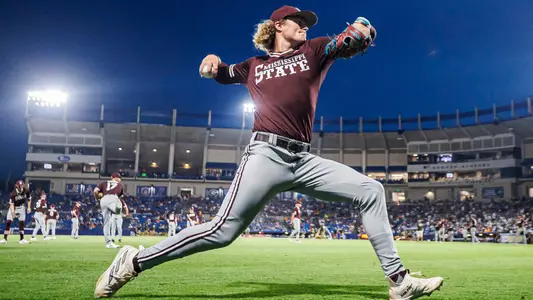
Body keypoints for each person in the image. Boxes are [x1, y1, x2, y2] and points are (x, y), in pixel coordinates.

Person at [94, 5, 443, 299]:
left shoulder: (314, 50)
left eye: (307, 23)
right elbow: (222, 73)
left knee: (371, 191)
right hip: (265, 155)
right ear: (278, 25)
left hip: (303, 160)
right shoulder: (254, 66)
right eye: (299, 21)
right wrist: (213, 62)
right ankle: (132, 262)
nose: (305, 26)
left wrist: (361, 27)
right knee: (222, 232)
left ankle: (399, 282)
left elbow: (345, 41)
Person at [93, 173, 125, 249]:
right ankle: (117, 215)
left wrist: (97, 198)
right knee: (119, 205)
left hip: (103, 200)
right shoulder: (119, 184)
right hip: (113, 198)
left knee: (106, 223)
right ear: (118, 178)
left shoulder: (103, 183)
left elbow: (95, 191)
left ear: (111, 177)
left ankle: (108, 243)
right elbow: (119, 196)